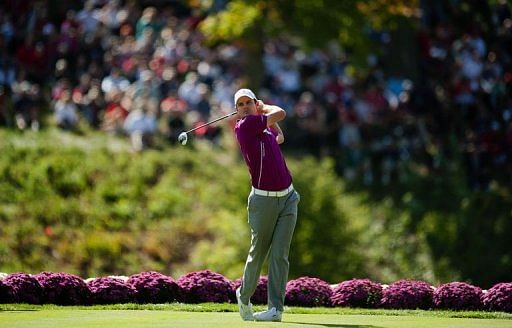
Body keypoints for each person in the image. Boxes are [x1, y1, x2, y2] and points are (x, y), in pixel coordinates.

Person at [233, 88, 300, 322]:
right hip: (263, 201)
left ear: (254, 103)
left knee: (280, 255)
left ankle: (275, 309)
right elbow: (280, 112)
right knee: (259, 253)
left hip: (289, 197)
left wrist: (263, 113)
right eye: (239, 105)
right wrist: (264, 108)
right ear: (237, 112)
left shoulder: (262, 125)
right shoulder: (244, 127)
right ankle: (244, 295)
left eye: (248, 102)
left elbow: (279, 136)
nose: (244, 106)